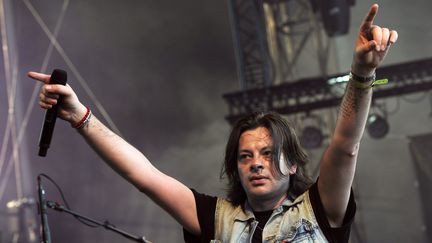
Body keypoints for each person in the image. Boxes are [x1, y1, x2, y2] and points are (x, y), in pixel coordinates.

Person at [28, 4, 397, 243]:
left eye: (268, 154)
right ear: (235, 168)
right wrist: (80, 116)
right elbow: (143, 175)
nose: (255, 162)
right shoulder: (217, 218)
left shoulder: (318, 208)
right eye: (246, 156)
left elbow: (346, 144)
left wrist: (362, 73)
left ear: (293, 163)